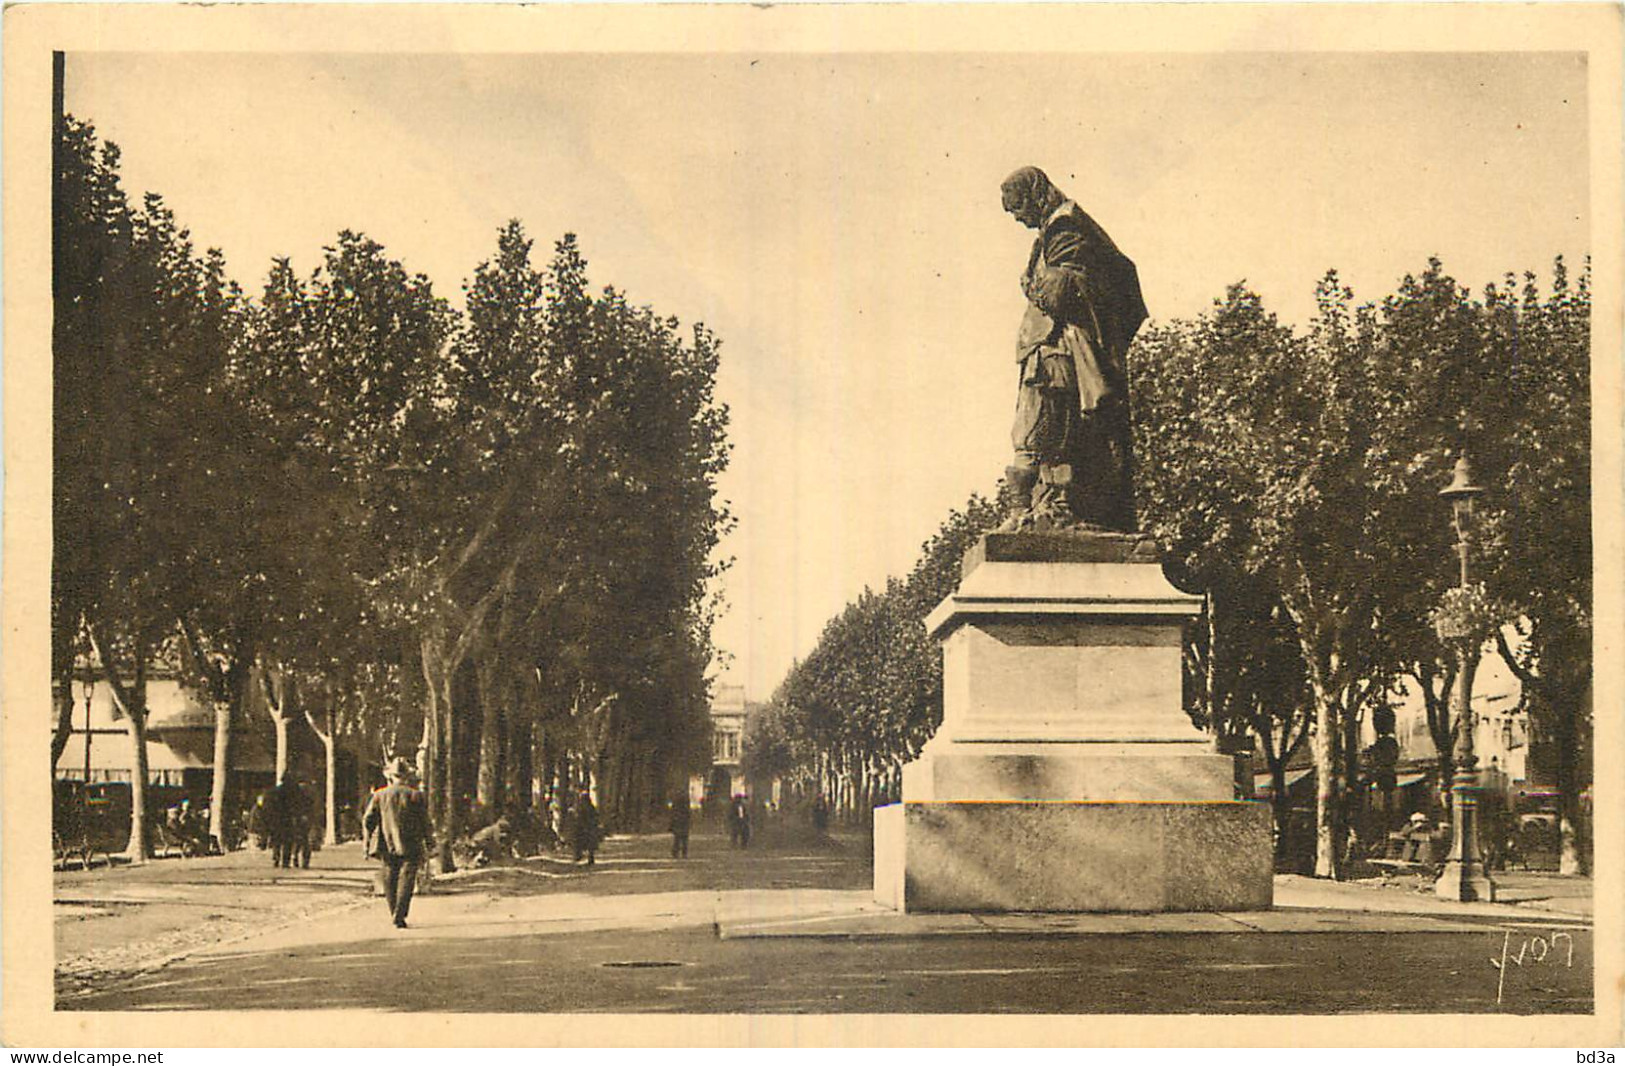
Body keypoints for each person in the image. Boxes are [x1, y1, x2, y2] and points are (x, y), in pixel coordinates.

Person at [998, 166, 1148, 532]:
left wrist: (1030, 286)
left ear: (1033, 195)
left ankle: (1044, 509)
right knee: (1044, 432)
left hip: (1059, 352)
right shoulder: (1055, 230)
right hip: (1049, 349)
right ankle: (1041, 507)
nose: (1017, 218)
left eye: (1017, 207)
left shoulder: (1066, 228)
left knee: (1041, 430)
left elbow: (1060, 292)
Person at [363, 757, 430, 929]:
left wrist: (367, 841)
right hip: (411, 843)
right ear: (406, 777)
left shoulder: (379, 795)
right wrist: (430, 843)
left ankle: (394, 911)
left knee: (389, 877)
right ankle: (399, 914)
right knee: (407, 878)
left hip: (386, 842)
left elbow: (368, 820)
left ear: (391, 776)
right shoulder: (416, 795)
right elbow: (425, 822)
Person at [571, 790, 599, 867]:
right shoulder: (591, 807)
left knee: (579, 841)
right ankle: (589, 857)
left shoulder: (581, 807)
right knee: (589, 843)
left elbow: (578, 817)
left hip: (583, 828)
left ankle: (579, 855)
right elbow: (596, 817)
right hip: (588, 828)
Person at [668, 792, 691, 859]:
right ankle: (684, 853)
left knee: (677, 838)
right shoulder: (686, 806)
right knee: (684, 838)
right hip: (684, 822)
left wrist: (671, 824)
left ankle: (676, 852)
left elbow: (672, 814)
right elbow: (688, 814)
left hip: (678, 822)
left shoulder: (675, 806)